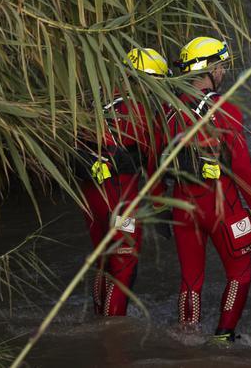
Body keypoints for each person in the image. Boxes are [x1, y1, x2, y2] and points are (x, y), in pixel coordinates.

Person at [160, 36, 251, 345]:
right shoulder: (225, 109)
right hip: (221, 203)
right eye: (221, 65)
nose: (223, 71)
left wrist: (159, 205)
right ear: (208, 69)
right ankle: (223, 336)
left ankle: (187, 335)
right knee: (240, 273)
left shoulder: (168, 109)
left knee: (191, 279)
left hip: (181, 201)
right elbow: (243, 166)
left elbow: (155, 160)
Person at [76, 47, 169, 317]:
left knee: (104, 262)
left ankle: (98, 317)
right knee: (124, 266)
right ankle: (113, 330)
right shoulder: (141, 113)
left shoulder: (97, 101)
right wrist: (162, 208)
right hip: (120, 202)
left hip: (90, 197)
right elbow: (154, 167)